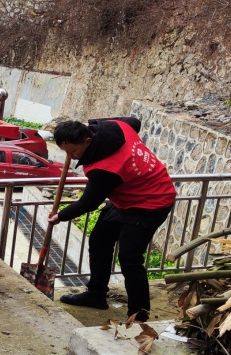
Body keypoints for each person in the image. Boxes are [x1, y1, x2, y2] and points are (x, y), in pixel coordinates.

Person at [49, 117, 176, 322]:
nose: (70, 157)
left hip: (153, 201)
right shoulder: (116, 126)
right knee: (99, 241)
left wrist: (59, 216)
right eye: (66, 152)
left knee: (129, 257)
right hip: (127, 197)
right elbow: (134, 121)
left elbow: (88, 202)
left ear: (88, 141)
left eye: (73, 152)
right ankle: (96, 295)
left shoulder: (105, 169)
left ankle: (139, 313)